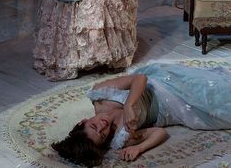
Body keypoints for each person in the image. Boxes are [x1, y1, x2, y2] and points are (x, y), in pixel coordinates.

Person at [52, 62, 231, 167]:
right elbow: (160, 132)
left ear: (83, 121)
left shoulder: (100, 94)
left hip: (160, 85)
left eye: (94, 126)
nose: (103, 125)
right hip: (172, 110)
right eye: (103, 134)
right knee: (218, 110)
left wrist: (129, 105)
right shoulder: (121, 137)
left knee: (211, 87)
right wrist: (139, 148)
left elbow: (140, 78)